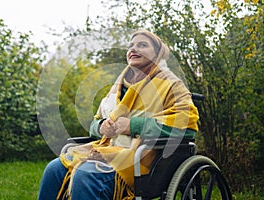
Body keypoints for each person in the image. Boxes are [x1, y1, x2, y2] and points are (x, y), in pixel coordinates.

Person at [38, 30, 199, 200]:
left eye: (142, 45)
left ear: (158, 53)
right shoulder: (118, 86)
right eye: (131, 46)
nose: (134, 49)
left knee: (86, 176)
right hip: (106, 151)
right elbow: (95, 123)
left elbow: (186, 129)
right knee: (54, 169)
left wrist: (132, 126)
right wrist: (101, 127)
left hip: (142, 160)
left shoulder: (171, 84)